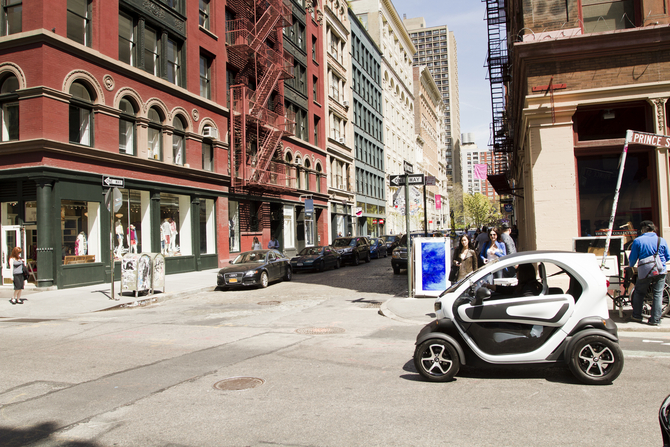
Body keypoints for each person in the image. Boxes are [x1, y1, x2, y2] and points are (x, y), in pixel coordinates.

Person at [628, 220, 669, 326]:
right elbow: (668, 256)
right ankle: (655, 320)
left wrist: (631, 266)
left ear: (643, 230)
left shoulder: (638, 241)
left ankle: (637, 315)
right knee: (658, 294)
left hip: (645, 270)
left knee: (639, 292)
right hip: (661, 270)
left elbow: (632, 259)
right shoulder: (661, 240)